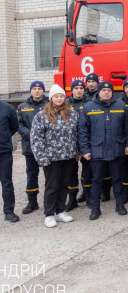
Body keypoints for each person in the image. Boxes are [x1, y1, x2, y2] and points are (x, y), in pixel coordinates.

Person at [79, 81, 128, 220]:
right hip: (97, 151)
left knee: (117, 179)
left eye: (109, 91)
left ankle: (120, 205)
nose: (106, 93)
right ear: (99, 92)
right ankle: (95, 208)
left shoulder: (120, 106)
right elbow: (83, 131)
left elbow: (127, 128)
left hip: (117, 149)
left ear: (112, 92)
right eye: (104, 91)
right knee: (96, 180)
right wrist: (84, 150)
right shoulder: (89, 107)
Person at [30, 85, 79, 228]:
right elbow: (36, 138)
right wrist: (42, 157)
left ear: (65, 98)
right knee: (52, 186)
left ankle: (60, 211)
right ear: (51, 98)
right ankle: (49, 214)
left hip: (68, 156)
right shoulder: (42, 115)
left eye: (61, 96)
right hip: (51, 158)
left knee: (64, 184)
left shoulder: (72, 114)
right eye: (56, 96)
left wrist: (77, 152)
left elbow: (76, 134)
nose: (59, 98)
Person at [17, 81, 48, 214]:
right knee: (31, 174)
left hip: (47, 147)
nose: (36, 91)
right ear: (30, 91)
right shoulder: (22, 106)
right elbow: (19, 125)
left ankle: (50, 201)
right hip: (30, 147)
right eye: (34, 89)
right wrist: (32, 135)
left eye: (39, 88)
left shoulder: (49, 105)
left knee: (50, 175)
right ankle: (32, 201)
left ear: (43, 91)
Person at [66, 80, 91, 211]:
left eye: (81, 88)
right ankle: (72, 199)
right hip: (70, 145)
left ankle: (87, 196)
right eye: (76, 88)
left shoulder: (89, 103)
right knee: (71, 173)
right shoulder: (65, 103)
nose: (79, 90)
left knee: (87, 173)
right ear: (72, 90)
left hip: (85, 143)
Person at [0, 98, 20, 223]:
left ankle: (9, 212)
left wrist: (5, 137)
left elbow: (14, 127)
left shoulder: (7, 108)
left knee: (6, 182)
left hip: (4, 152)